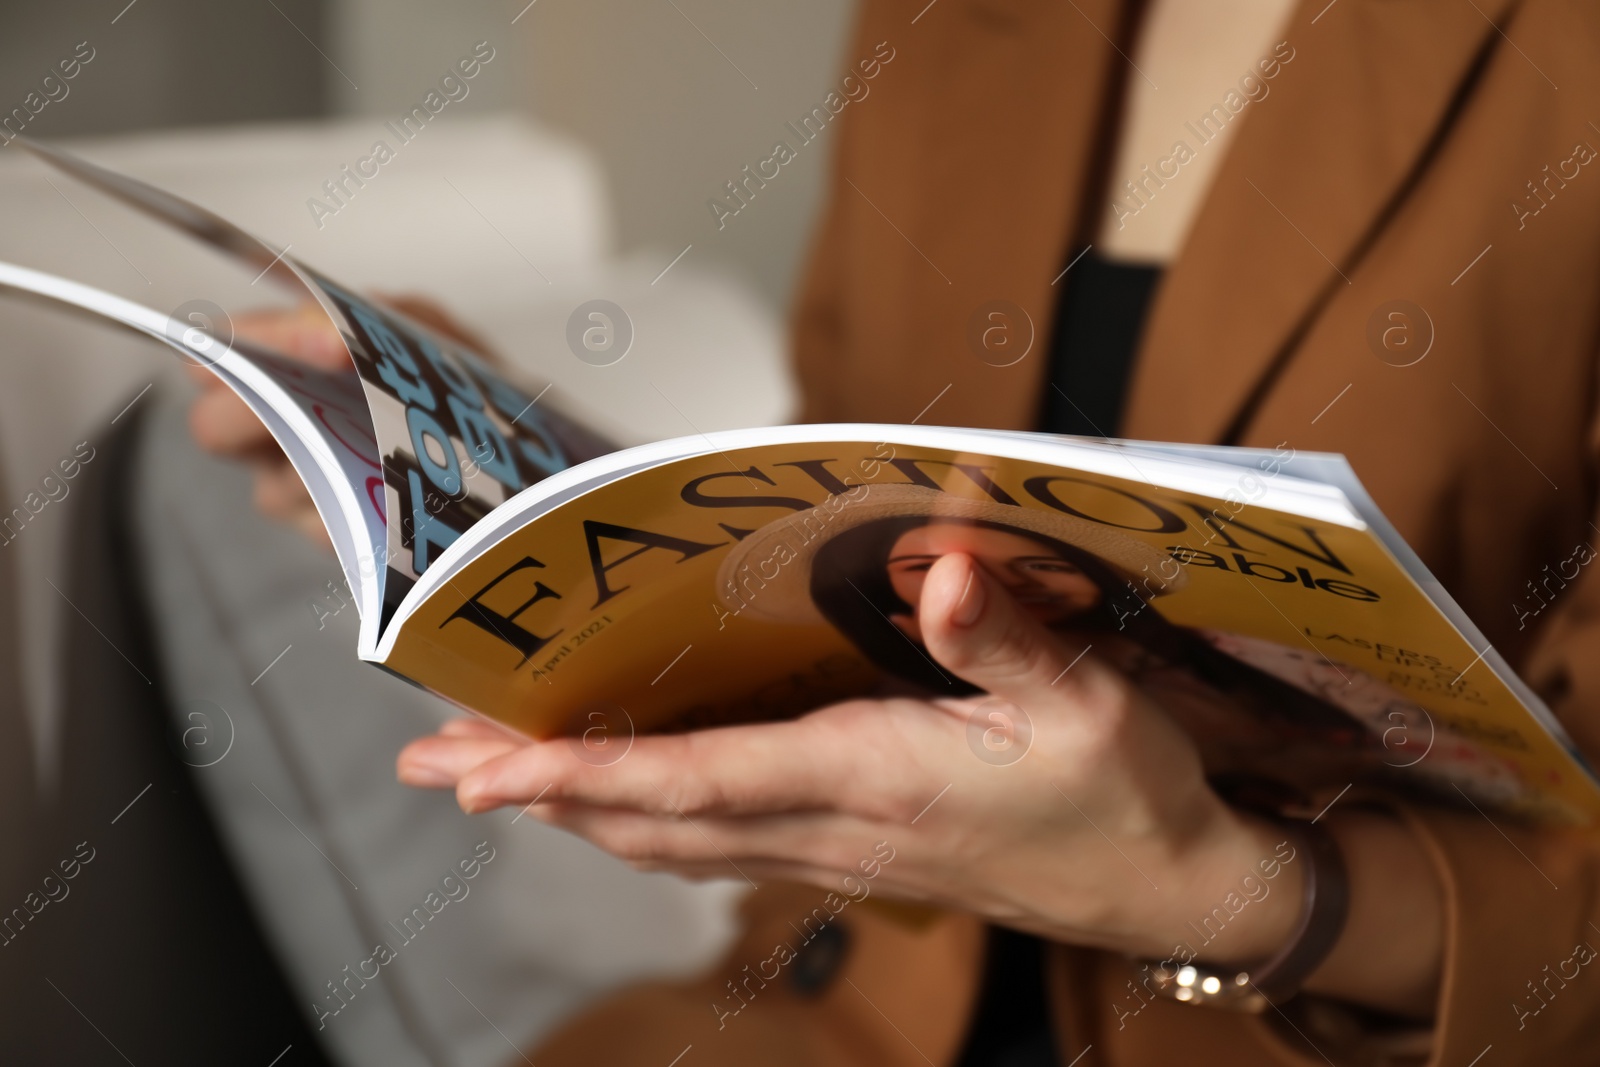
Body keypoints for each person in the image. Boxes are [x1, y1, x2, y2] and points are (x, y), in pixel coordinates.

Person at [202, 0, 1600, 1063]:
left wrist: (1222, 896)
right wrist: (498, 455)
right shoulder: (939, 31)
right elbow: (855, 537)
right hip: (828, 1009)